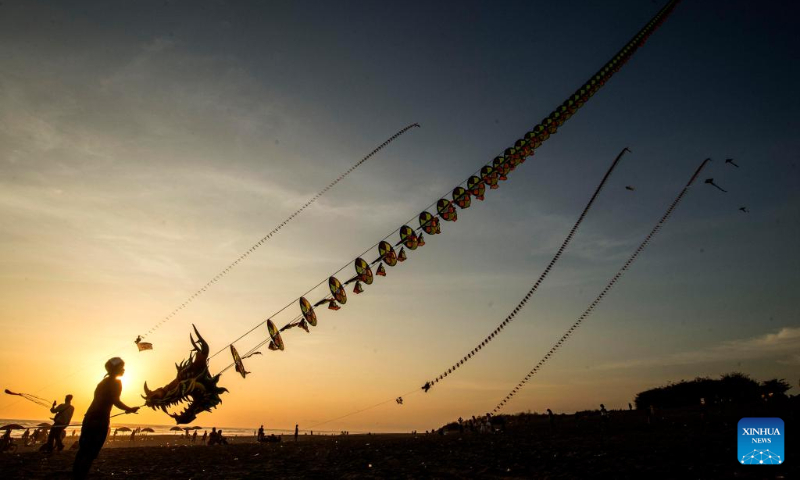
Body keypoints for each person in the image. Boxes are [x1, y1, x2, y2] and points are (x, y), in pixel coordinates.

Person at [73, 357, 139, 479]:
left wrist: (127, 409)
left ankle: (76, 475)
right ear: (115, 369)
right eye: (121, 367)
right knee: (92, 451)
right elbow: (115, 401)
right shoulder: (116, 382)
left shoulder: (102, 382)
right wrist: (130, 409)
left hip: (89, 417)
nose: (123, 370)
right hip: (100, 419)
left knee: (83, 449)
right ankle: (81, 475)